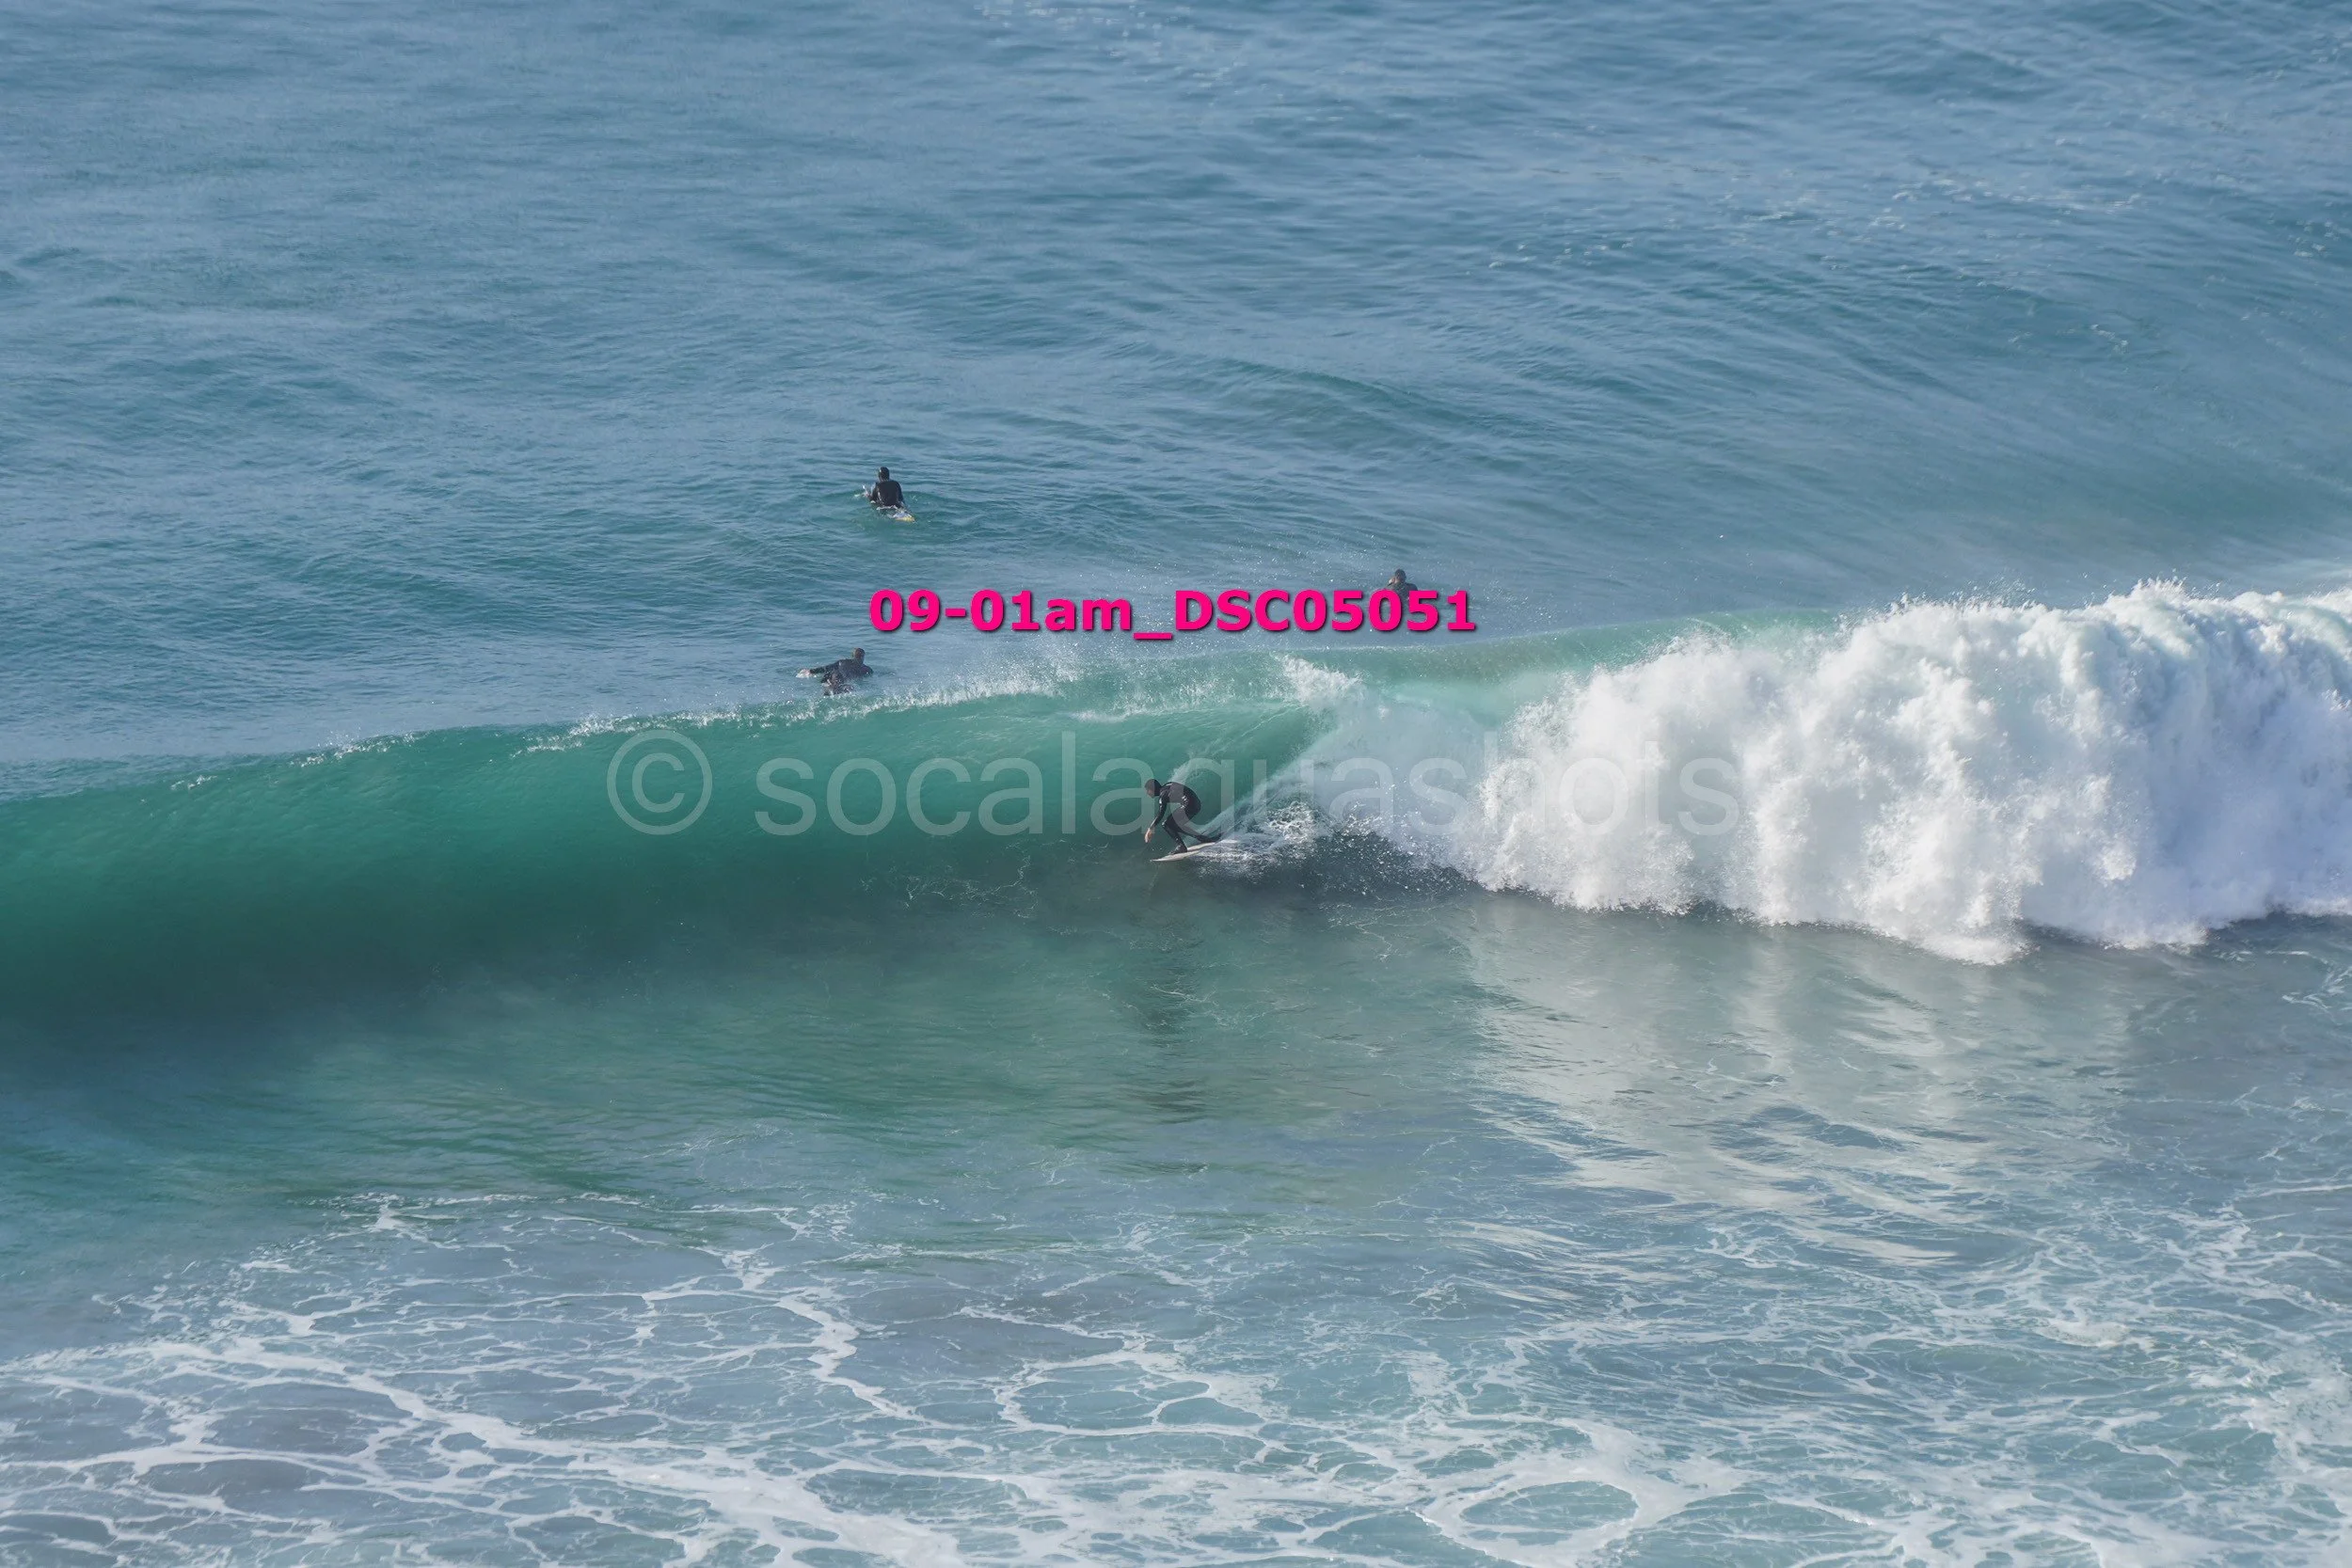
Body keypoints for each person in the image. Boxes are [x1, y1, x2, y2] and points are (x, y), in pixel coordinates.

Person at [1144, 777, 1217, 850]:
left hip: (1189, 804)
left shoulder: (1162, 795)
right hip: (1196, 803)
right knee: (1174, 824)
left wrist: (1150, 828)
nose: (1147, 793)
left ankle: (1181, 847)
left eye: (1148, 790)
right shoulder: (1168, 785)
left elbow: (1161, 813)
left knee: (1166, 824)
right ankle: (1202, 838)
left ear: (1152, 789)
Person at [800, 648, 873, 694]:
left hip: (833, 679)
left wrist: (811, 671)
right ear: (863, 657)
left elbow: (826, 668)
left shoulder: (842, 662)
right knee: (846, 687)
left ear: (852, 656)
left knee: (830, 681)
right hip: (840, 682)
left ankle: (830, 689)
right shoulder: (867, 670)